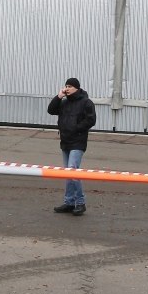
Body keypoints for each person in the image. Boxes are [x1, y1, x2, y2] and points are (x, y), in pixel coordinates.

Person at [47, 77, 96, 216]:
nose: (66, 88)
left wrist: (76, 128)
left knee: (73, 171)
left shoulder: (86, 102)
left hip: (78, 141)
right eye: (65, 86)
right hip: (65, 141)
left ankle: (80, 203)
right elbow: (51, 110)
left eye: (69, 86)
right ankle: (69, 202)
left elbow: (91, 120)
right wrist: (58, 96)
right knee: (68, 173)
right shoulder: (64, 102)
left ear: (76, 88)